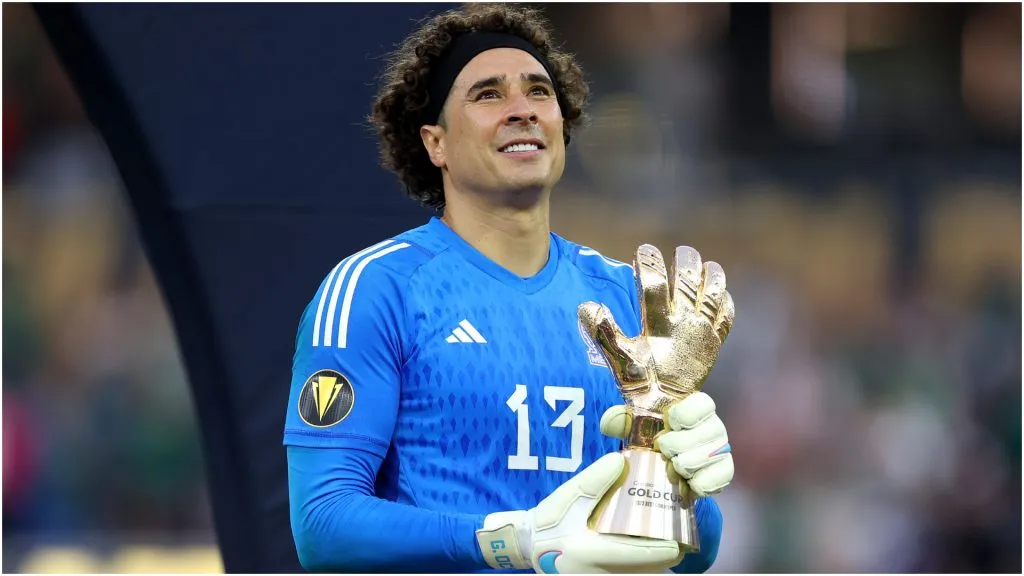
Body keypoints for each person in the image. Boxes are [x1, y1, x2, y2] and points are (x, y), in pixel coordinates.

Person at [284, 4, 734, 573]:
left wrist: (691, 488)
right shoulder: (377, 290)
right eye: (488, 95)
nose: (521, 110)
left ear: (561, 128)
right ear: (435, 143)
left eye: (539, 92)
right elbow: (324, 526)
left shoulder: (625, 294)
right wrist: (514, 540)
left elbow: (692, 556)